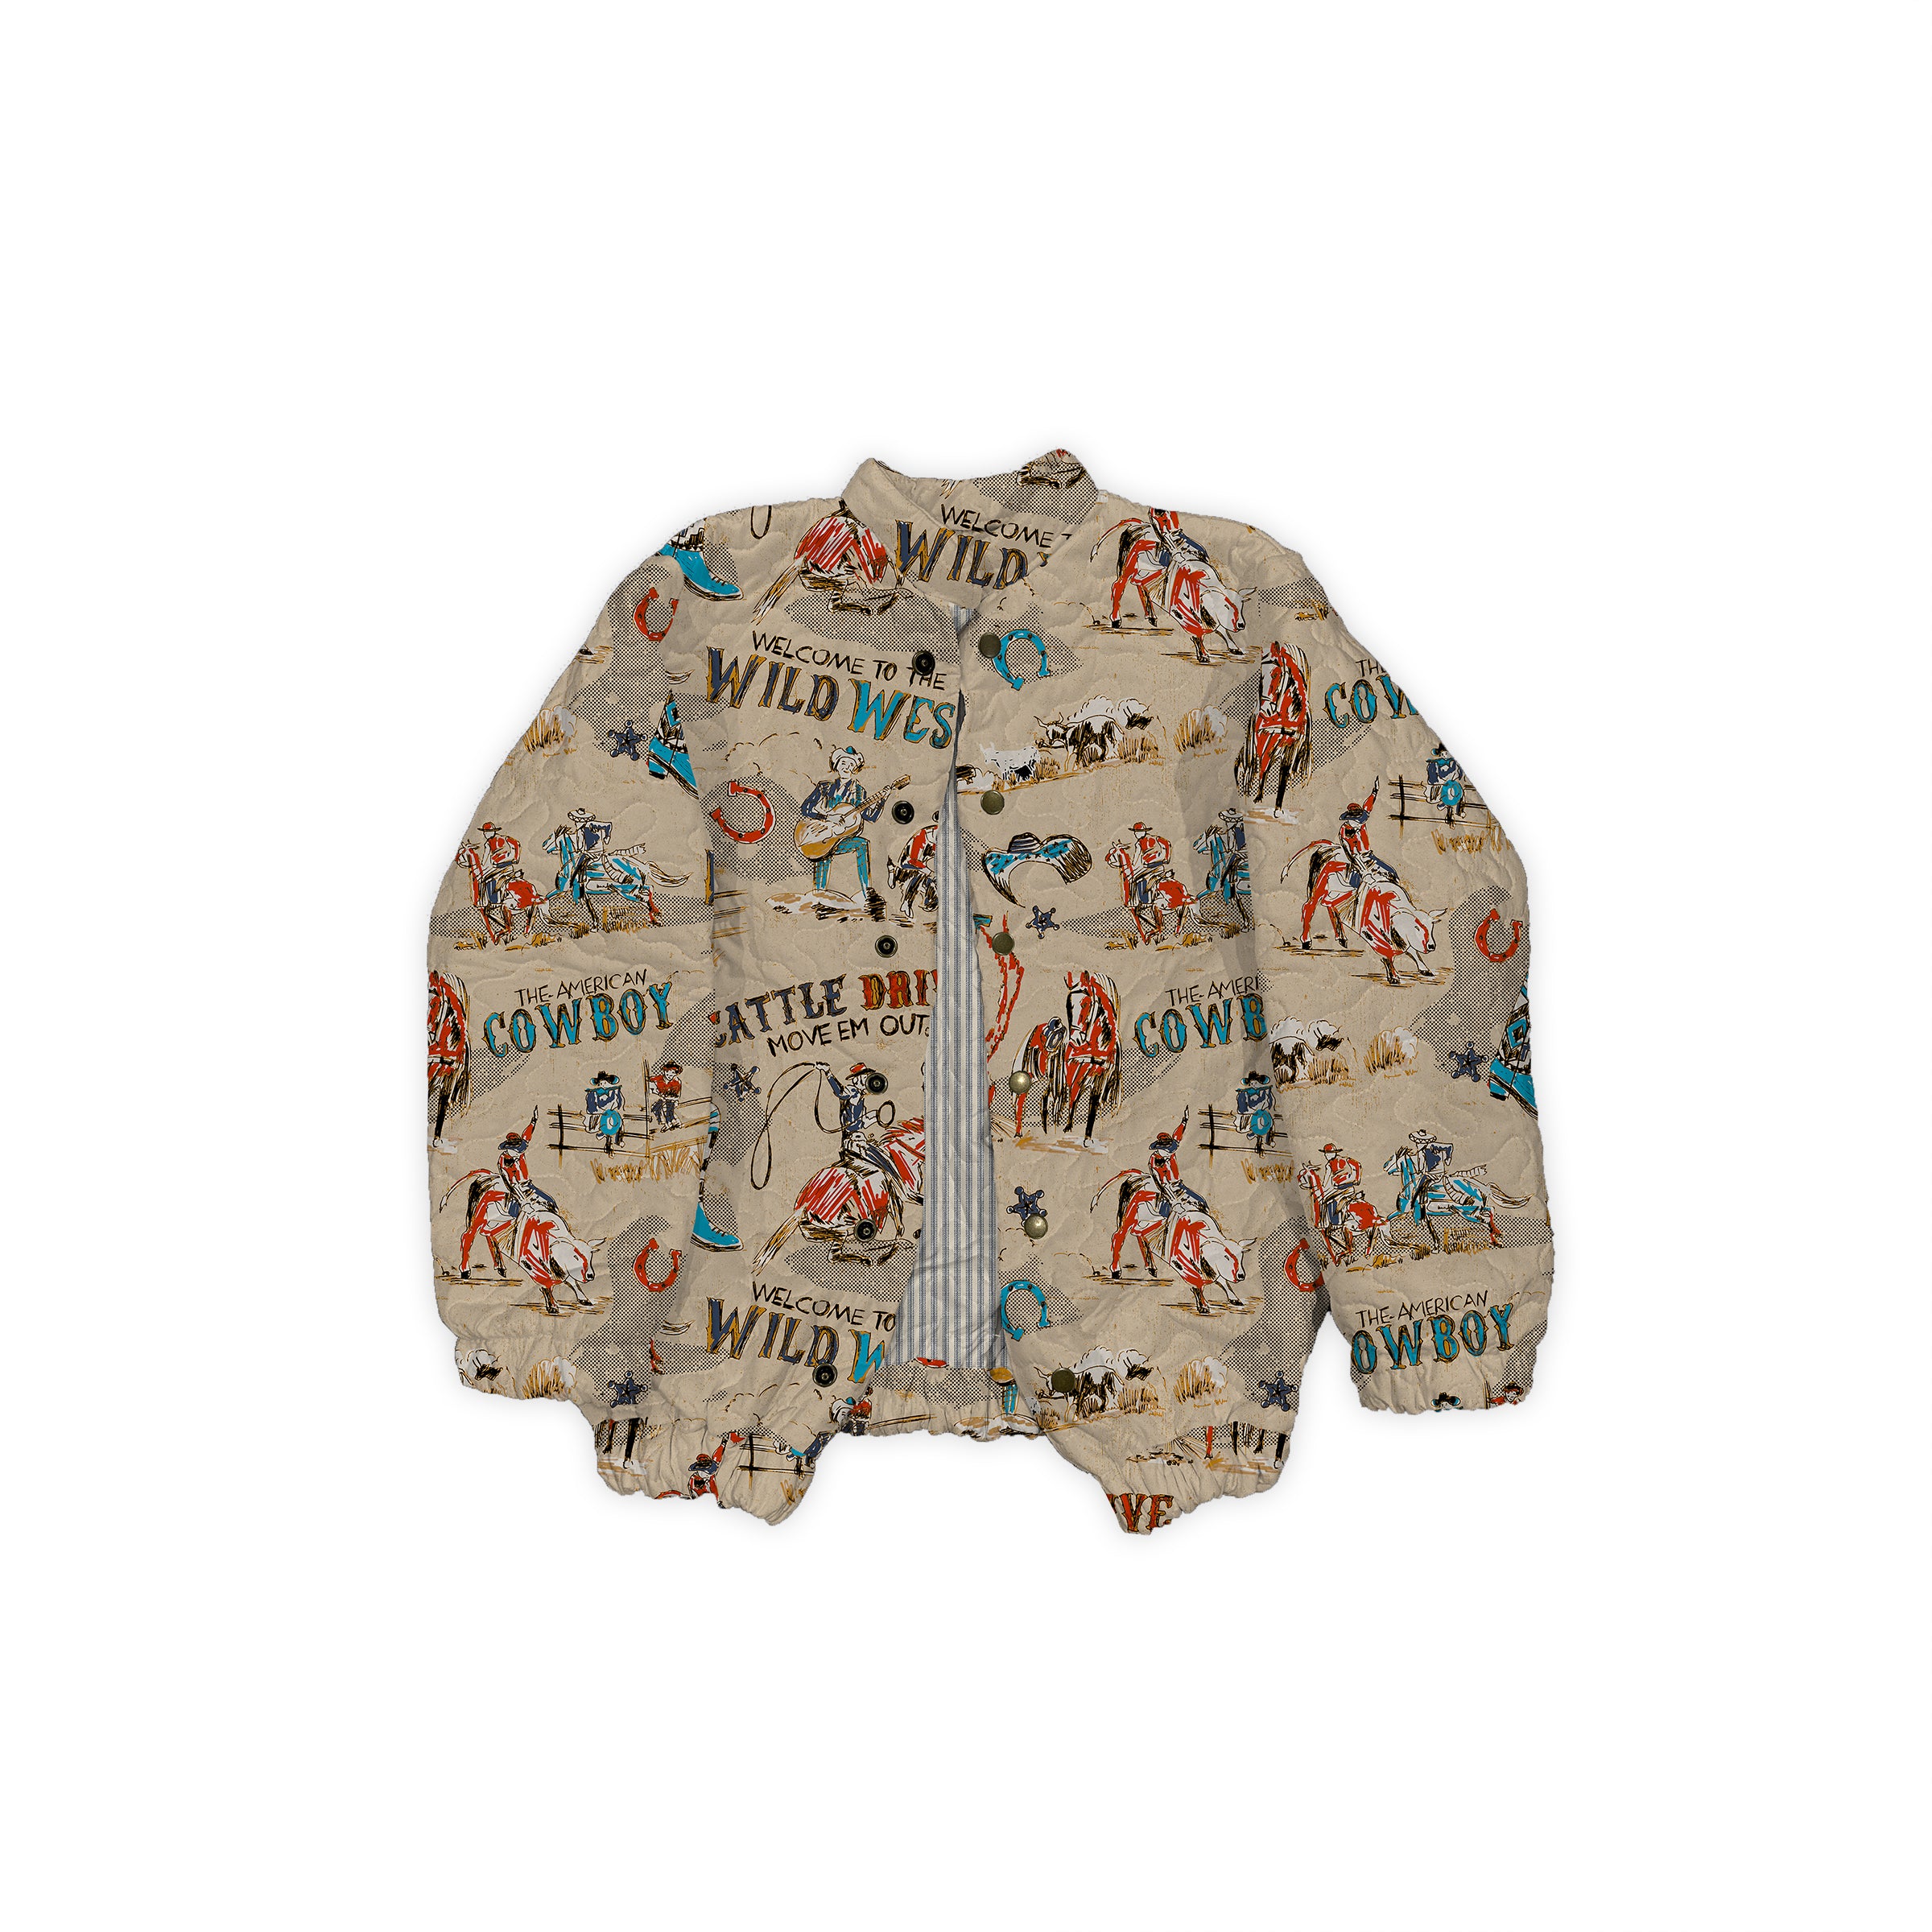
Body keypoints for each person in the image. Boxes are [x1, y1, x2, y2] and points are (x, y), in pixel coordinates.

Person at [799, 747, 886, 903]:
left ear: (855, 769)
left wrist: (882, 801)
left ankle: (867, 892)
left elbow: (870, 816)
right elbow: (806, 808)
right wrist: (826, 816)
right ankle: (819, 895)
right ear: (836, 765)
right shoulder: (824, 787)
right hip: (820, 834)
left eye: (851, 765)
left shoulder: (858, 791)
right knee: (822, 852)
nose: (847, 767)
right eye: (843, 763)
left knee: (862, 844)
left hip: (843, 837)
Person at [497, 1110, 557, 1218]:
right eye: (517, 1152)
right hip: (517, 1192)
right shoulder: (505, 1162)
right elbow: (513, 1184)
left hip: (529, 1186)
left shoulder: (519, 1153)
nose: (519, 1154)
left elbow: (527, 1136)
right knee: (515, 1215)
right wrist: (524, 1202)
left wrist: (534, 1121)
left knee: (552, 1204)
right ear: (509, 1149)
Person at [584, 1071, 625, 1153]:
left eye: (605, 1083)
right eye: (601, 1083)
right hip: (600, 1113)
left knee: (619, 1123)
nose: (603, 1085)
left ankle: (618, 1140)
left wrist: (615, 1107)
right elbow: (592, 1106)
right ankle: (604, 1136)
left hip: (612, 1112)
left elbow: (618, 1102)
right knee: (605, 1123)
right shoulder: (594, 1093)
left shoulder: (614, 1091)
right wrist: (599, 1111)